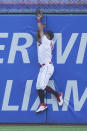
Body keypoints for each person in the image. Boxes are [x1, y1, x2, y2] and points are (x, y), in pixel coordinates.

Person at [36, 10, 63, 113]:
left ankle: (58, 95)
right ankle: (43, 104)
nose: (44, 33)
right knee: (38, 87)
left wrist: (39, 19)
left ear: (47, 35)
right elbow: (39, 33)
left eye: (45, 33)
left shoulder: (46, 41)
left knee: (41, 86)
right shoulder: (48, 42)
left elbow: (39, 30)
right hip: (43, 67)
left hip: (47, 66)